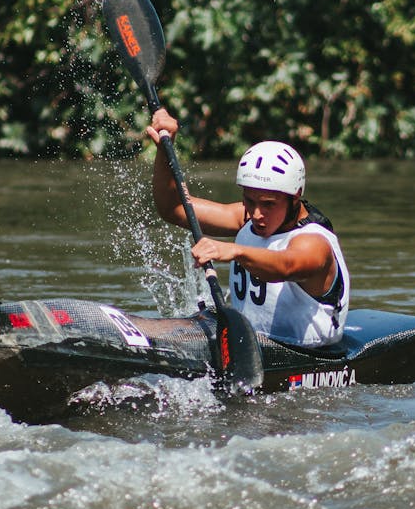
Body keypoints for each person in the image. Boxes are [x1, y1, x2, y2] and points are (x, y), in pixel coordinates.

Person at [146, 108, 350, 348]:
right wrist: (164, 148)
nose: (256, 214)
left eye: (268, 204)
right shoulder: (246, 217)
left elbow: (286, 266)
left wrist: (235, 251)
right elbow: (174, 209)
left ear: (295, 197)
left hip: (306, 352)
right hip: (254, 343)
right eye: (250, 201)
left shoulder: (313, 242)